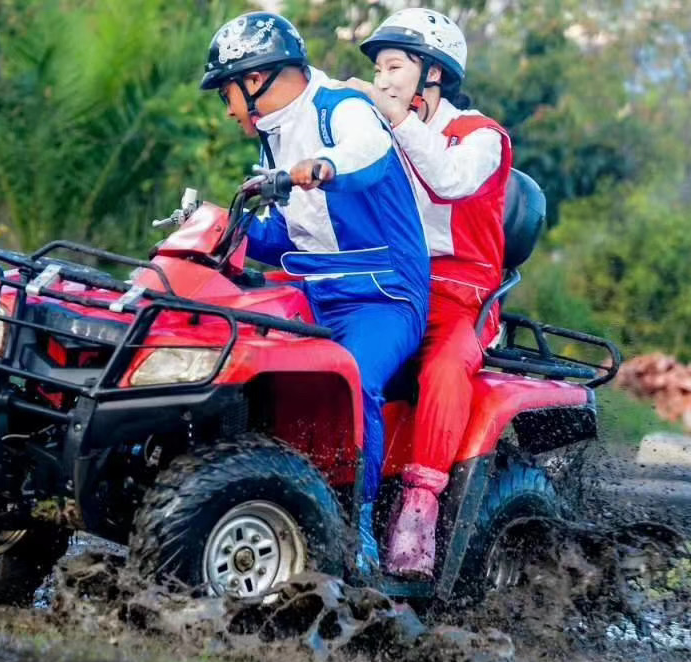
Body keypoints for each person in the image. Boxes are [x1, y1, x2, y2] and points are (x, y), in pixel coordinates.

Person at [200, 11, 431, 573]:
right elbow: (289, 238)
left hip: (384, 294)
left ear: (255, 81)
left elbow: (368, 157)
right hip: (310, 291)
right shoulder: (274, 140)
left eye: (227, 93)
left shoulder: (342, 110)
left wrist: (322, 166)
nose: (228, 110)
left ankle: (361, 531)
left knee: (352, 377)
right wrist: (218, 226)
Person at [350, 8, 513, 579]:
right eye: (378, 69)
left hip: (460, 298)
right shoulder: (379, 128)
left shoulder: (482, 138)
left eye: (395, 66)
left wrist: (394, 122)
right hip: (384, 282)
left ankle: (419, 512)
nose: (383, 79)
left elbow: (448, 180)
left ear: (434, 74)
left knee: (445, 368)